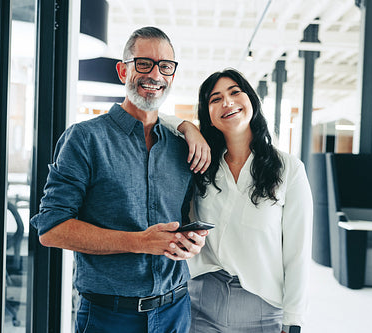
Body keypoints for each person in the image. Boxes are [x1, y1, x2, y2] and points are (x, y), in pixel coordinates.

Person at [30, 26, 211, 333]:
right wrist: (139, 242)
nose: (154, 75)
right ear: (122, 70)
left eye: (164, 67)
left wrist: (189, 242)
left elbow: (182, 219)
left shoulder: (183, 147)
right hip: (109, 316)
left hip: (176, 310)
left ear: (171, 76)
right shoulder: (85, 139)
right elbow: (52, 229)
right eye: (144, 64)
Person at [170, 69, 313, 333]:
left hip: (262, 306)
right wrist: (186, 126)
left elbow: (298, 253)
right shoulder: (202, 165)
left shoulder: (289, 168)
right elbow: (156, 120)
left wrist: (293, 321)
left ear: (252, 102)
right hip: (201, 300)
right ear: (209, 117)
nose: (227, 102)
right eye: (215, 99)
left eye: (235, 92)